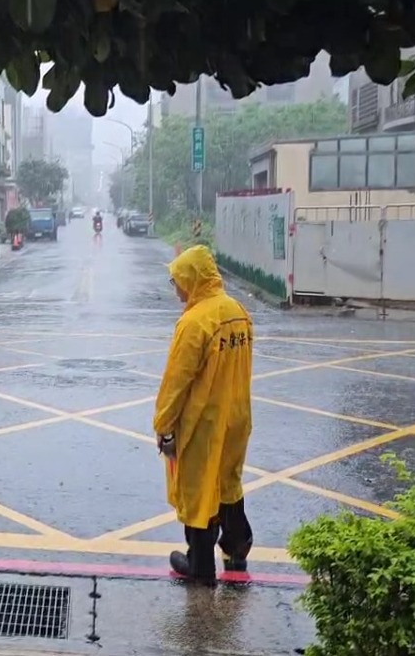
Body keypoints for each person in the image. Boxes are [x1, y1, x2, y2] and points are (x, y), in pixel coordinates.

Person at [154, 244, 254, 585]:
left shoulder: (194, 323)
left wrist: (164, 426)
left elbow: (176, 383)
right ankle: (237, 546)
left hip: (203, 422)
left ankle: (200, 565)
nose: (177, 289)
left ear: (193, 279)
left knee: (198, 490)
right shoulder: (237, 310)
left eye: (178, 281)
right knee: (229, 481)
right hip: (237, 416)